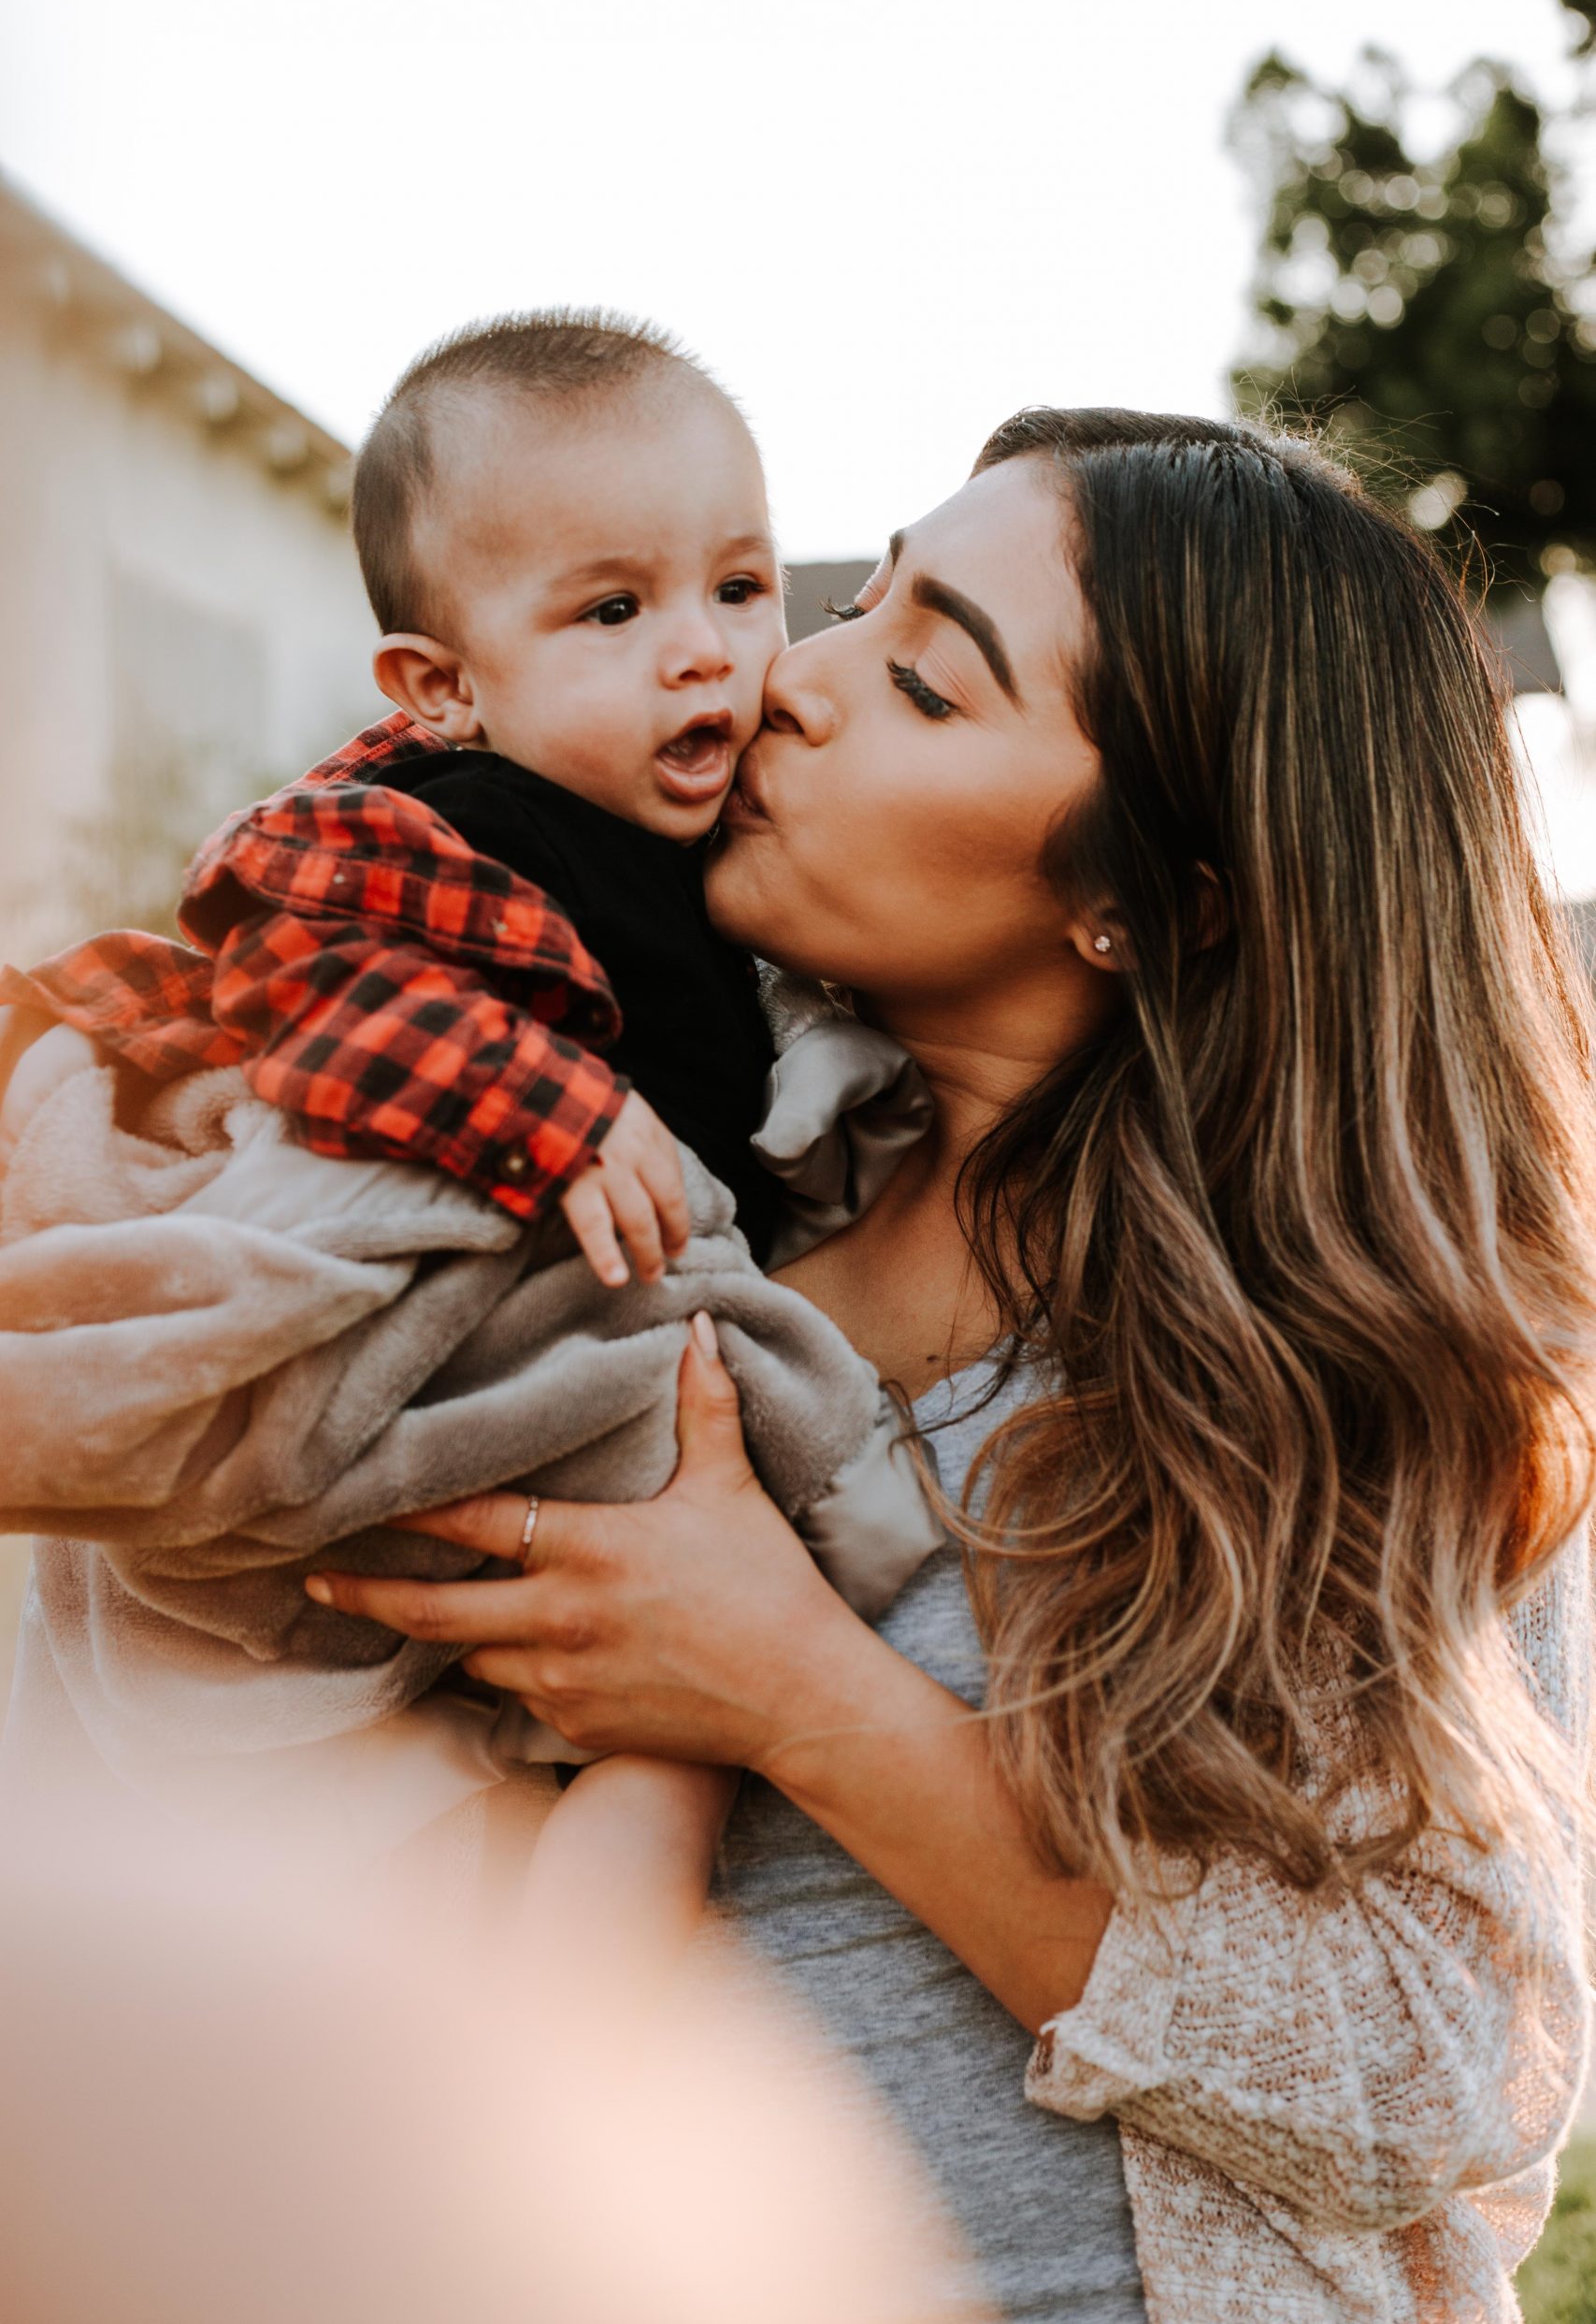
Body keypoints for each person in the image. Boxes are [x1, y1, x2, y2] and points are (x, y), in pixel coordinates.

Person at [312, 410, 1596, 2321]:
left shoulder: (1336, 1358)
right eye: (851, 605)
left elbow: (1424, 2080)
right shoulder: (634, 1234)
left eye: (919, 676)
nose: (791, 679)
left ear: (1158, 896)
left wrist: (791, 1687)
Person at [0, 310, 939, 1939]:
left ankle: (559, 2013)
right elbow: (297, 960)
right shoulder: (449, 821)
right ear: (443, 686)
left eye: (738, 585)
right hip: (443, 1314)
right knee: (536, 1774)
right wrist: (548, 1113)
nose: (706, 649)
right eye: (611, 608)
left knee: (624, 1749)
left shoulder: (706, 853)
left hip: (600, 1360)